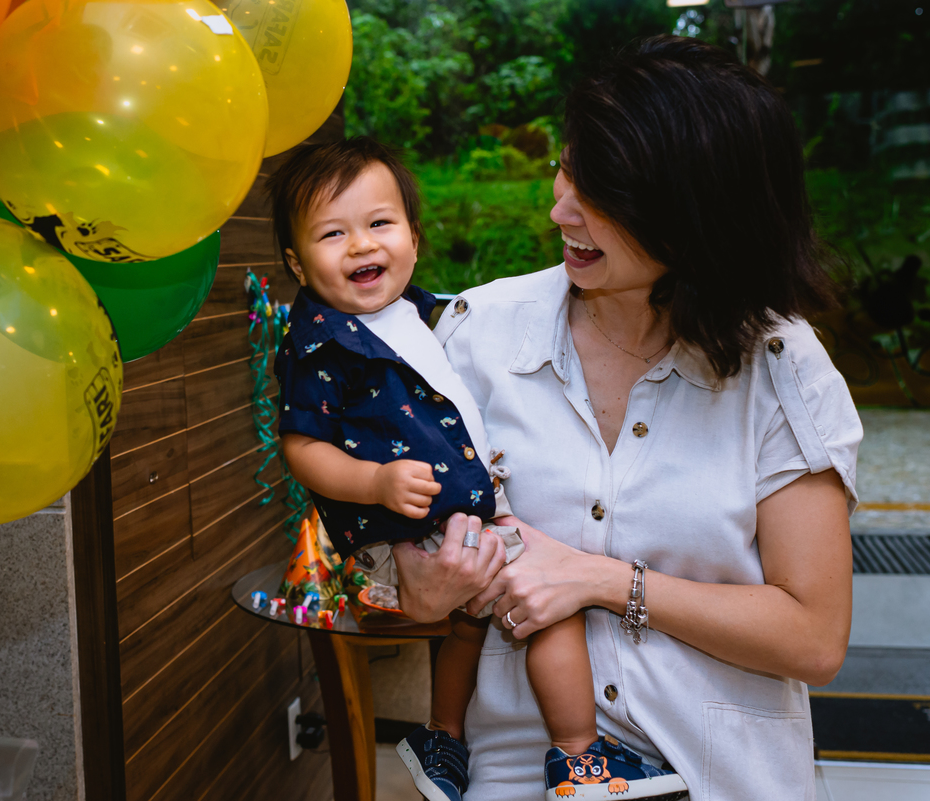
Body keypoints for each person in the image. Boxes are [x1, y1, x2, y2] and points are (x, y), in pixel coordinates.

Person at [390, 36, 863, 801]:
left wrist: (605, 581)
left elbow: (813, 637)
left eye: (599, 190)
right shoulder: (478, 333)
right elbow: (404, 581)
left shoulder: (782, 365)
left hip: (722, 777)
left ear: (693, 214)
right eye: (569, 167)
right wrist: (425, 580)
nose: (559, 207)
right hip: (520, 777)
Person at [268, 137, 685, 801]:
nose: (361, 245)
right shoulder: (321, 344)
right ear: (295, 259)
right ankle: (580, 760)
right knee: (550, 602)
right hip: (403, 530)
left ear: (411, 233)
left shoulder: (415, 315)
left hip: (450, 518)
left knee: (471, 623)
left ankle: (444, 742)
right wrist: (374, 481)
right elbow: (301, 446)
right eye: (331, 233)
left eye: (380, 223)